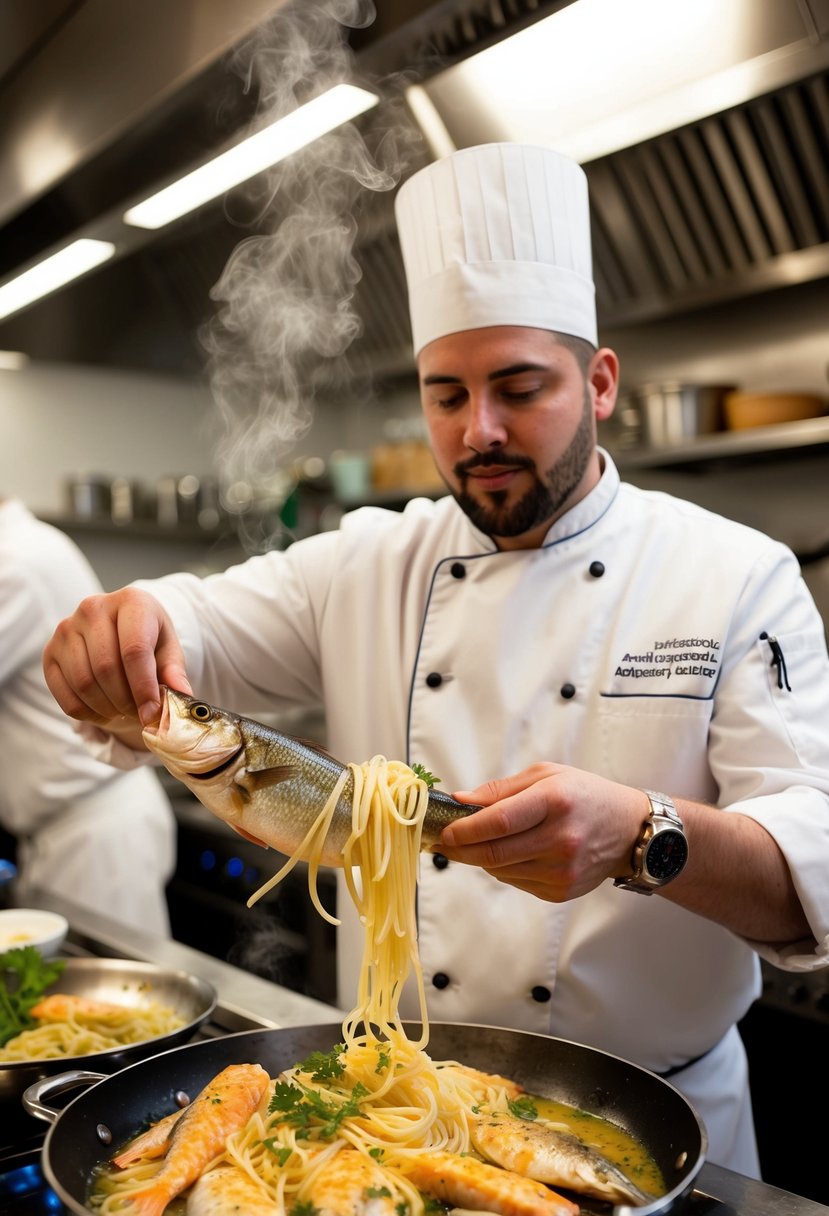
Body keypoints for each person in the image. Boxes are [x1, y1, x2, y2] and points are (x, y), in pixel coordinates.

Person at [42, 143, 829, 1177]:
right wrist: (125, 621)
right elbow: (195, 624)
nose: (478, 431)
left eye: (518, 387)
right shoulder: (371, 558)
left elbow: (807, 875)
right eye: (444, 395)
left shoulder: (733, 575)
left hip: (656, 1127)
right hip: (394, 1116)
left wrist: (645, 834)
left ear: (599, 382)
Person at [0, 497, 176, 935]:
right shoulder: (28, 545)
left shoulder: (13, 562)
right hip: (79, 830)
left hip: (95, 837)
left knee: (116, 1000)